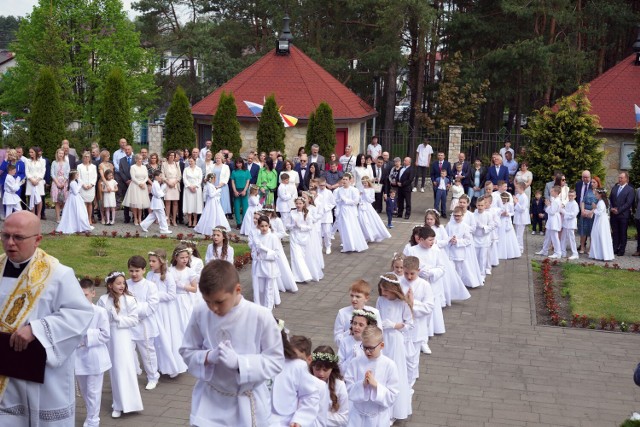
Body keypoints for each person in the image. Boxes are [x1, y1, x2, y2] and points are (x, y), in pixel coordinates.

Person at [0, 211, 93, 425]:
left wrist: (37, 329)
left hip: (40, 373)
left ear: (38, 240)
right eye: (5, 236)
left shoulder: (58, 274)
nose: (10, 243)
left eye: (18, 237)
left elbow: (80, 313)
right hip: (4, 368)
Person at [178, 260, 283, 426]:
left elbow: (276, 361)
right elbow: (186, 351)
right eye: (207, 301)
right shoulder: (200, 311)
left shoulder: (260, 316)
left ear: (238, 290)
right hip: (210, 401)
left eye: (219, 302)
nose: (213, 308)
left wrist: (241, 363)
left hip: (247, 402)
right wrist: (207, 357)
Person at [97, 271, 144, 418]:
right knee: (115, 371)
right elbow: (99, 319)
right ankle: (118, 404)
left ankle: (132, 403)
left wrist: (118, 319)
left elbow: (134, 320)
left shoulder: (129, 300)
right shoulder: (103, 300)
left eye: (123, 283)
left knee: (126, 369)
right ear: (110, 285)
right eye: (118, 283)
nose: (122, 286)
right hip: (109, 339)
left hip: (123, 337)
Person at [343, 325, 399, 427]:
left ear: (381, 345)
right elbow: (348, 389)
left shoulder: (389, 365)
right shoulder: (355, 362)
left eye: (371, 348)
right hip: (357, 417)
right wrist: (362, 385)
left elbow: (393, 395)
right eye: (364, 347)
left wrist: (376, 386)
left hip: (378, 418)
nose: (367, 351)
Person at [75, 278, 112, 427]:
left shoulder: (100, 312)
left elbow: (105, 334)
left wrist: (85, 335)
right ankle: (90, 414)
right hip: (78, 357)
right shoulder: (72, 312)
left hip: (95, 357)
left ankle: (93, 420)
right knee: (84, 390)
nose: (82, 298)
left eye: (85, 295)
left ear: (93, 293)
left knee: (93, 391)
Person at [126, 255, 161, 390]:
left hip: (144, 325)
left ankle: (153, 376)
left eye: (137, 271)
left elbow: (152, 306)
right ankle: (134, 372)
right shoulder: (126, 284)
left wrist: (132, 308)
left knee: (147, 352)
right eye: (131, 271)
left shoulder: (150, 286)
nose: (134, 274)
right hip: (128, 325)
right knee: (129, 351)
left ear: (144, 270)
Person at [310, 345, 349, 427]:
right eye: (317, 369)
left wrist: (316, 414)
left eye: (325, 370)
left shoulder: (339, 386)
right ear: (312, 366)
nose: (321, 373)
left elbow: (344, 418)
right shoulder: (305, 382)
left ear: (332, 368)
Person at [334, 174, 368, 253]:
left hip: (350, 211)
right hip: (342, 210)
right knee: (344, 228)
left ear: (350, 180)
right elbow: (336, 200)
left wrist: (345, 200)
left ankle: (354, 244)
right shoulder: (339, 190)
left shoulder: (354, 190)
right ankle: (347, 245)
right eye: (343, 179)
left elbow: (355, 201)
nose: (344, 181)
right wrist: (339, 205)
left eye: (346, 179)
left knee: (351, 226)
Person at [287, 197, 314, 283]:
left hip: (303, 237)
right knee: (295, 256)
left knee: (302, 256)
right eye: (297, 203)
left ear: (303, 204)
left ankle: (303, 274)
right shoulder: (291, 213)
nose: (298, 205)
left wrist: (300, 227)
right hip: (294, 236)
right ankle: (298, 276)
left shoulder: (307, 214)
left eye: (300, 204)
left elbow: (310, 227)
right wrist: (293, 226)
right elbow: (287, 224)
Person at [609, 172, 634, 256]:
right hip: (614, 215)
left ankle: (621, 249)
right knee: (615, 232)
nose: (619, 179)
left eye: (621, 178)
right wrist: (611, 208)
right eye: (619, 177)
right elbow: (610, 199)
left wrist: (618, 210)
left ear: (626, 179)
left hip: (623, 215)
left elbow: (628, 203)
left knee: (623, 232)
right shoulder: (615, 188)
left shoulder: (630, 189)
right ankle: (615, 248)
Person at [358, 176, 391, 243]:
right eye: (363, 183)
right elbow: (359, 198)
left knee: (368, 221)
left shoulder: (371, 190)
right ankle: (363, 236)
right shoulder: (361, 189)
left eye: (365, 183)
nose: (364, 184)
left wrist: (365, 194)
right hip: (361, 206)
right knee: (361, 221)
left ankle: (370, 235)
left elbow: (371, 200)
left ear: (368, 182)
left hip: (367, 207)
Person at [140, 170, 172, 234]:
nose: (161, 177)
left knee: (153, 215)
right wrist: (163, 192)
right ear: (156, 177)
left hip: (157, 202)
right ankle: (164, 229)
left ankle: (144, 224)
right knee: (162, 215)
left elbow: (159, 191)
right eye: (160, 176)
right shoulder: (155, 184)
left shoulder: (156, 183)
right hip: (157, 202)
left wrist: (164, 185)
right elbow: (158, 194)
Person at [536, 186, 562, 259]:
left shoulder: (556, 201)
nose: (550, 192)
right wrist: (549, 206)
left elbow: (552, 212)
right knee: (547, 236)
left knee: (554, 237)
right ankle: (544, 250)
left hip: (554, 220)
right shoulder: (554, 200)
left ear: (556, 192)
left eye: (552, 191)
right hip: (551, 220)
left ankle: (558, 252)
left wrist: (548, 206)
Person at [590, 188, 615, 261]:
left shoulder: (601, 202)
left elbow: (599, 212)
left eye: (596, 194)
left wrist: (594, 209)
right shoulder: (604, 201)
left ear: (600, 194)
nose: (595, 196)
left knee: (599, 235)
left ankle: (601, 255)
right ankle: (600, 254)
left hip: (601, 221)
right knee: (600, 236)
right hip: (602, 220)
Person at [162, 150, 182, 226]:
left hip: (175, 185)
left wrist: (175, 182)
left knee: (175, 203)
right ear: (168, 156)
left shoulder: (177, 164)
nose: (172, 157)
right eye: (170, 155)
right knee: (167, 202)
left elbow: (179, 176)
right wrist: (168, 182)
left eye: (173, 155)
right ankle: (167, 220)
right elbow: (162, 176)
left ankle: (174, 220)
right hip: (167, 184)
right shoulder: (164, 164)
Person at [78, 152, 98, 225]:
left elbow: (95, 177)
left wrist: (91, 185)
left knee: (90, 203)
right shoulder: (79, 166)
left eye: (88, 157)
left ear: (90, 158)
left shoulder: (93, 166)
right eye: (85, 157)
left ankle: (89, 218)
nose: (86, 158)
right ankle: (84, 219)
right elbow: (78, 177)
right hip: (83, 187)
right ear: (83, 157)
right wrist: (83, 185)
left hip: (91, 188)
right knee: (83, 204)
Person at [25, 146, 46, 218]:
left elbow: (43, 171)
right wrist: (31, 180)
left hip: (39, 182)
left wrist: (37, 180)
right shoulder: (27, 161)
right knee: (31, 197)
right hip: (30, 182)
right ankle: (32, 214)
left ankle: (39, 214)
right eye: (29, 152)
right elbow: (27, 171)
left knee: (39, 197)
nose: (30, 153)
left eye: (32, 152)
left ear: (36, 153)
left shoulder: (42, 161)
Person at [560, 189, 580, 260]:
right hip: (566, 223)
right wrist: (563, 211)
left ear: (575, 196)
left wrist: (564, 212)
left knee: (571, 239)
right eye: (569, 195)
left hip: (571, 224)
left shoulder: (575, 204)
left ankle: (575, 253)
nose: (570, 197)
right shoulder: (568, 203)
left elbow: (573, 215)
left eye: (572, 196)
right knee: (563, 238)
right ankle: (563, 252)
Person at [117, 145, 134, 223]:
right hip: (124, 183)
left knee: (134, 201)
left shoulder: (135, 159)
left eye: (128, 149)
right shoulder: (122, 160)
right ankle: (126, 217)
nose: (127, 151)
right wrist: (127, 180)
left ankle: (135, 217)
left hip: (134, 183)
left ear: (131, 150)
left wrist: (133, 180)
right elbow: (121, 172)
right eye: (126, 150)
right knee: (126, 200)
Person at [513, 182, 530, 254]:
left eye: (517, 188)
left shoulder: (524, 197)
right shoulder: (518, 195)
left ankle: (520, 248)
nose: (516, 189)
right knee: (517, 233)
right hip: (517, 217)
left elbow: (522, 209)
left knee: (519, 234)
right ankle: (517, 247)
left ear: (522, 188)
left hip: (522, 218)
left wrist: (516, 202)